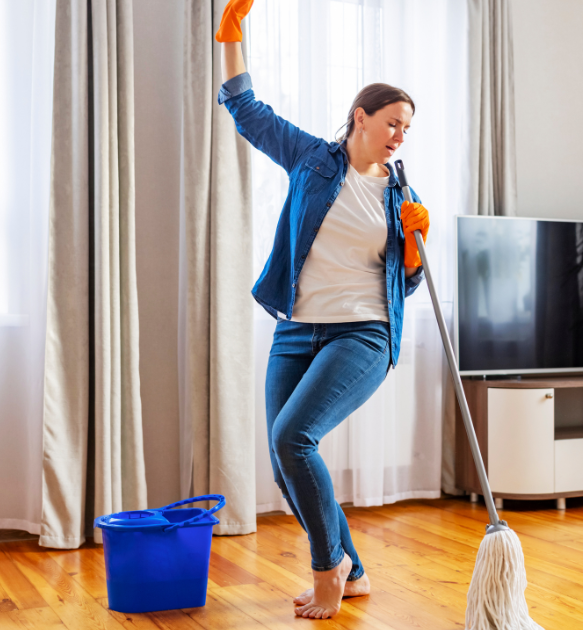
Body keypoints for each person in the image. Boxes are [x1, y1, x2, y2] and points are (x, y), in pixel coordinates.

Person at [216, 0, 431, 620]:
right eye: (392, 123)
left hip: (364, 334)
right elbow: (247, 111)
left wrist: (417, 243)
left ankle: (327, 575)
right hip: (297, 330)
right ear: (360, 118)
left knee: (293, 437)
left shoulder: (401, 195)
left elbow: (406, 286)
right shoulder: (313, 161)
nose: (398, 136)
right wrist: (230, 36)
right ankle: (355, 568)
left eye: (406, 130)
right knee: (288, 465)